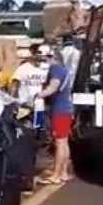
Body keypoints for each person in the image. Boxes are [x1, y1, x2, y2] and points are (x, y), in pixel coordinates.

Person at [35, 46, 74, 185]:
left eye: (42, 55)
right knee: (64, 142)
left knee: (59, 142)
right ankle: (63, 172)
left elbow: (53, 87)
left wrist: (38, 95)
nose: (40, 58)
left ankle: (56, 175)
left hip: (60, 110)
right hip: (66, 109)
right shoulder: (63, 69)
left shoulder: (56, 69)